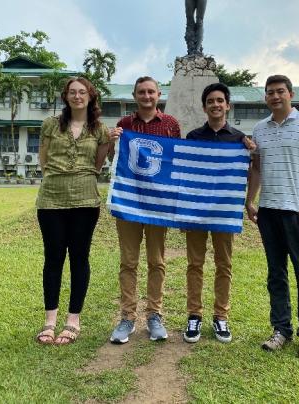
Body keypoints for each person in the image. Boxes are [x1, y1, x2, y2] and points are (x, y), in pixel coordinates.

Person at [245, 75, 299, 362]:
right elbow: (256, 169)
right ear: (266, 98)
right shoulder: (260, 129)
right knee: (276, 275)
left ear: (291, 94)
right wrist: (250, 200)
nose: (275, 96)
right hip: (268, 212)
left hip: (297, 212)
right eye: (270, 93)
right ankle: (281, 330)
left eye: (280, 91)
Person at [34, 77, 116, 345]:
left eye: (82, 92)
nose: (77, 96)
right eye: (72, 92)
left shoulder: (101, 131)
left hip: (85, 200)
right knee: (53, 258)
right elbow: (43, 158)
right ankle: (49, 321)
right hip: (51, 199)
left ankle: (73, 320)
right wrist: (56, 177)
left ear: (91, 97)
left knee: (79, 258)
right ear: (66, 96)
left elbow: (98, 163)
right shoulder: (50, 125)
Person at [109, 76, 181, 344]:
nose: (147, 96)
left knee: (156, 261)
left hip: (157, 205)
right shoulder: (124, 124)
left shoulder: (171, 125)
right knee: (128, 261)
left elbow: (176, 163)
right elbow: (114, 161)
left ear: (159, 94)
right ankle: (127, 317)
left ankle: (154, 314)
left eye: (151, 91)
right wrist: (112, 141)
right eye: (142, 92)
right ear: (135, 94)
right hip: (129, 203)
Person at [181, 82, 255, 343]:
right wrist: (185, 213)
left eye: (220, 100)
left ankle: (221, 317)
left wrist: (251, 152)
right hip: (197, 212)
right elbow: (187, 178)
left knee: (224, 265)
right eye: (210, 100)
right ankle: (194, 315)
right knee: (195, 265)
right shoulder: (193, 138)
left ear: (227, 105)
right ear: (204, 107)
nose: (215, 104)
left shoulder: (239, 139)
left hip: (224, 212)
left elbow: (249, 172)